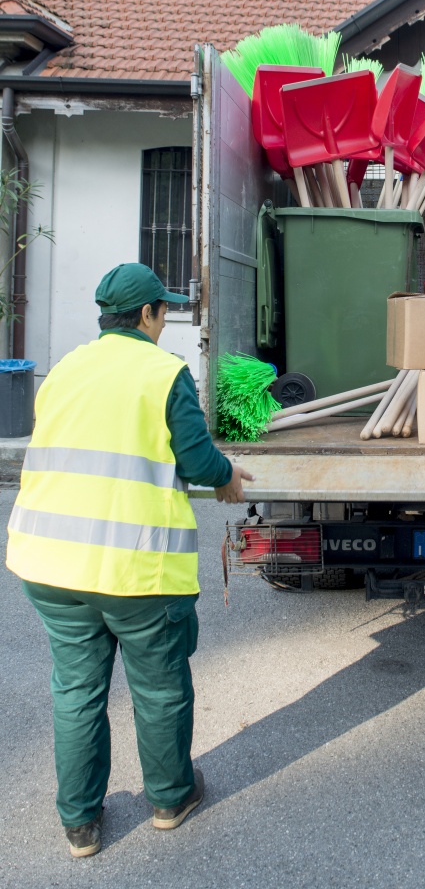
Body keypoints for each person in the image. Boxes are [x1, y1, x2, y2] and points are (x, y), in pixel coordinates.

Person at [6, 262, 254, 858]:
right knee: (160, 688)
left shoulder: (63, 369)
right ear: (147, 315)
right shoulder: (163, 373)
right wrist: (228, 477)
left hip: (51, 565)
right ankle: (169, 800)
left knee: (77, 692)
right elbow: (196, 462)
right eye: (164, 311)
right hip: (135, 569)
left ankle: (80, 825)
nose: (166, 321)